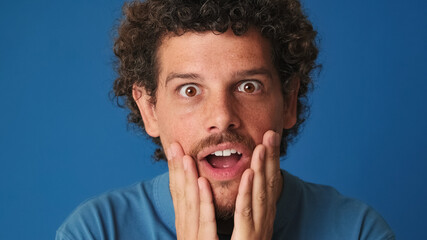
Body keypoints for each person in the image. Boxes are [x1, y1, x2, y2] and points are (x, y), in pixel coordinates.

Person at [56, 0, 395, 239]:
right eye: (190, 90)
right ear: (150, 109)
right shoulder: (94, 231)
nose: (222, 116)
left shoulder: (358, 231)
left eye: (249, 86)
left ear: (288, 101)